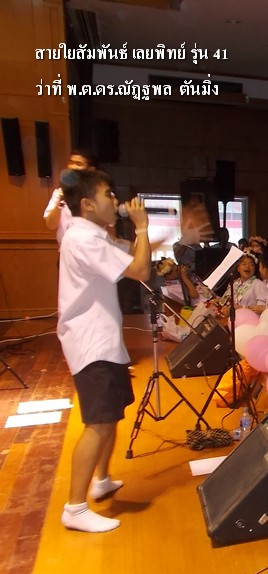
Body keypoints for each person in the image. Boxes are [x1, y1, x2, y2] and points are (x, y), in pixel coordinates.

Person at [57, 169, 151, 532]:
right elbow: (141, 269)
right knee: (97, 424)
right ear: (87, 204)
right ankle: (75, 508)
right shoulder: (84, 239)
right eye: (108, 194)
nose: (115, 200)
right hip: (91, 342)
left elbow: (133, 255)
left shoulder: (93, 236)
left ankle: (101, 479)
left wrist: (147, 237)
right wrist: (142, 227)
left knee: (109, 416)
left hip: (101, 340)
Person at [43, 149, 97, 247]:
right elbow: (51, 225)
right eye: (71, 163)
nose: (73, 167)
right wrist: (60, 202)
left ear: (91, 170)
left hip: (93, 248)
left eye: (78, 164)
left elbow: (110, 225)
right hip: (66, 250)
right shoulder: (59, 192)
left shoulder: (99, 194)